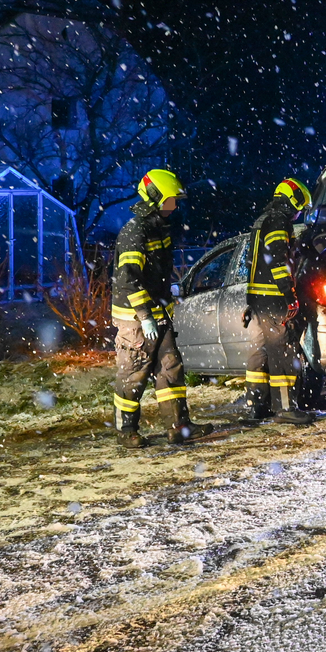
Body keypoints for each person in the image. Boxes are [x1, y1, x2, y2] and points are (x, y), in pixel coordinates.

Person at [111, 169, 213, 448]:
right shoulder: (135, 232)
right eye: (171, 199)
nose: (175, 205)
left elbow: (158, 274)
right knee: (134, 374)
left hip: (157, 314)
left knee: (170, 369)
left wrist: (168, 298)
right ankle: (126, 432)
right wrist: (144, 316)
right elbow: (128, 279)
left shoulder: (158, 229)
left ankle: (179, 428)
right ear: (155, 197)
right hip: (136, 318)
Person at [244, 177, 316, 424]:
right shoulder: (278, 222)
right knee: (284, 351)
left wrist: (250, 300)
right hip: (274, 299)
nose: (298, 214)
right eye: (299, 208)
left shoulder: (260, 222)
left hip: (258, 298)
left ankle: (256, 405)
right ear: (292, 201)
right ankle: (285, 408)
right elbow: (278, 260)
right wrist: (289, 294)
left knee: (260, 352)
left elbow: (253, 264)